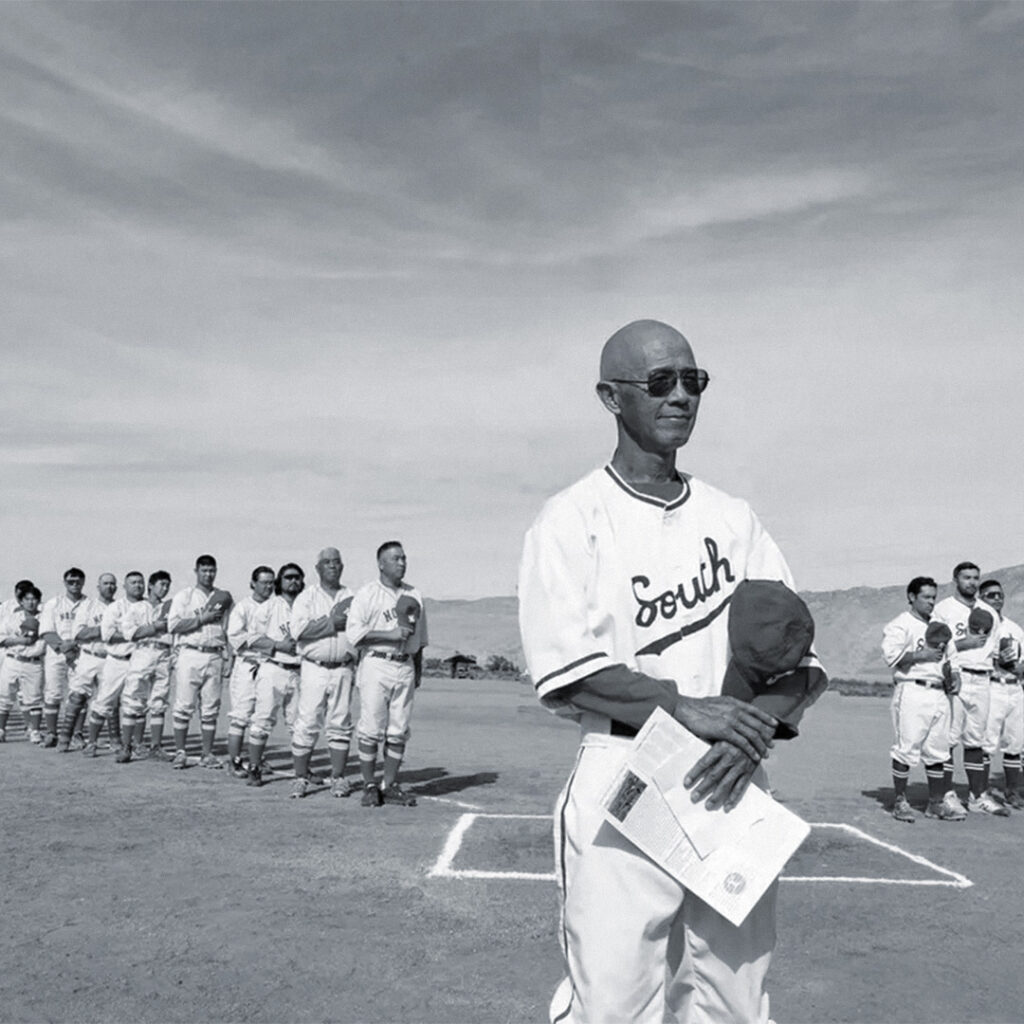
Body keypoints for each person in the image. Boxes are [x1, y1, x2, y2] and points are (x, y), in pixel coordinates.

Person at [518, 319, 825, 1024]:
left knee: (736, 1000)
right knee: (616, 1001)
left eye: (694, 380)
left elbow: (797, 659)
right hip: (625, 767)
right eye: (660, 382)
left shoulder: (734, 518)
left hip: (733, 773)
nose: (682, 395)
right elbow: (565, 670)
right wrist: (686, 709)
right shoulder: (572, 519)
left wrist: (755, 727)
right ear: (610, 396)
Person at [347, 541, 428, 808]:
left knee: (398, 730)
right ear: (381, 563)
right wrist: (388, 634)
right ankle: (370, 784)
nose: (402, 563)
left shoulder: (414, 594)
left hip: (404, 664)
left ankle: (390, 784)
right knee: (371, 728)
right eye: (395, 559)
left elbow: (420, 638)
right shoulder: (368, 594)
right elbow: (355, 635)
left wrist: (416, 669)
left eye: (404, 558)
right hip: (376, 663)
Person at [881, 577, 962, 822]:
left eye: (933, 597)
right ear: (912, 597)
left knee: (938, 751)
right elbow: (892, 657)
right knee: (906, 748)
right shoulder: (900, 625)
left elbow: (951, 658)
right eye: (926, 597)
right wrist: (921, 655)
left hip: (939, 692)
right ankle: (900, 801)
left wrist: (955, 675)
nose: (931, 602)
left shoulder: (940, 625)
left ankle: (935, 803)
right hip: (912, 690)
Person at [932, 563, 1003, 815]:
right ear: (955, 580)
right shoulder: (943, 610)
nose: (972, 582)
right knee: (949, 738)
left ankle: (977, 796)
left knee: (976, 740)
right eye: (966, 578)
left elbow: (993, 651)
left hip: (983, 679)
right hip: (957, 677)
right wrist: (963, 643)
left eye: (975, 578)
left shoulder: (989, 613)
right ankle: (947, 794)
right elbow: (937, 646)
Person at [288, 547, 357, 799]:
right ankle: (300, 777)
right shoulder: (307, 597)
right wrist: (331, 624)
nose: (332, 566)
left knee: (340, 723)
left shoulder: (352, 596)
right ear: (317, 568)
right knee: (307, 721)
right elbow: (299, 631)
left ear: (342, 566)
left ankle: (337, 777)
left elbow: (360, 630)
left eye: (336, 562)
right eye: (326, 562)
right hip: (314, 666)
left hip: (342, 667)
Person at [167, 555, 232, 770]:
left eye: (212, 570)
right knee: (184, 705)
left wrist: (229, 656)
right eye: (204, 570)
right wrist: (200, 620)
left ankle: (207, 753)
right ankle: (180, 751)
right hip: (190, 652)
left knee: (211, 706)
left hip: (214, 653)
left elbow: (228, 629)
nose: (208, 574)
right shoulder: (185, 596)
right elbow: (173, 625)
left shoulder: (222, 597)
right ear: (196, 571)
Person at [246, 563, 304, 788]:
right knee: (262, 720)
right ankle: (254, 766)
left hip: (300, 670)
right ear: (280, 581)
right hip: (274, 668)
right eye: (288, 577)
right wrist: (278, 645)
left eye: (298, 577)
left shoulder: (307, 605)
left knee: (300, 724)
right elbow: (252, 639)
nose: (293, 581)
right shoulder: (269, 606)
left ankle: (302, 769)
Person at [225, 566, 276, 777]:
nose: (268, 586)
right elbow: (236, 637)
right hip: (247, 664)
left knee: (263, 716)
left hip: (270, 665)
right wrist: (268, 644)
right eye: (264, 582)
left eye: (272, 582)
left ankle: (257, 758)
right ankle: (234, 760)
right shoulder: (243, 607)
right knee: (241, 715)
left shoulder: (278, 606)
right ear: (253, 583)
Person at [977, 579, 1024, 809]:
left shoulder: (1014, 629)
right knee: (987, 742)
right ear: (981, 598)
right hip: (992, 685)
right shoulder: (979, 627)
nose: (997, 599)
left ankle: (1012, 791)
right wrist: (998, 661)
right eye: (990, 595)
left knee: (1015, 742)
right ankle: (982, 791)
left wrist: (1017, 666)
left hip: (1015, 686)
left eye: (999, 595)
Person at [61, 573, 117, 753]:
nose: (109, 587)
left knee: (111, 699)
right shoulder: (88, 606)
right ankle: (66, 737)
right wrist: (105, 630)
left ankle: (114, 738)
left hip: (110, 657)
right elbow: (79, 633)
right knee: (77, 697)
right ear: (98, 586)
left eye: (112, 584)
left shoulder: (120, 607)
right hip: (89, 655)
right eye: (105, 583)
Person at [121, 570, 174, 759]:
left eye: (167, 585)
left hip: (163, 652)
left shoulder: (170, 607)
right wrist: (154, 628)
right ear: (150, 585)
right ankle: (127, 745)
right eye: (161, 584)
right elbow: (130, 633)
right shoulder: (137, 607)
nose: (165, 588)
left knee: (159, 699)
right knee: (134, 696)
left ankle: (155, 746)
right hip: (143, 651)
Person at [38, 567, 87, 747]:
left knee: (79, 694)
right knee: (53, 693)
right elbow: (46, 630)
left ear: (83, 582)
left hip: (80, 653)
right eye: (70, 582)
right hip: (56, 653)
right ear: (65, 583)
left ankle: (78, 733)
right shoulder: (54, 603)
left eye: (78, 581)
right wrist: (63, 647)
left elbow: (89, 630)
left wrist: (73, 646)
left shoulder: (89, 604)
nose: (74, 585)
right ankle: (52, 732)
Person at [0, 585, 46, 743]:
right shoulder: (11, 618)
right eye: (27, 599)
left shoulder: (44, 618)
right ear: (21, 601)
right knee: (5, 696)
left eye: (34, 599)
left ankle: (34, 730)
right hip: (13, 659)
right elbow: (1, 638)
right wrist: (20, 640)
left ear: (39, 601)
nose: (31, 602)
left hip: (33, 662)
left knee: (34, 698)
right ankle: (1, 729)